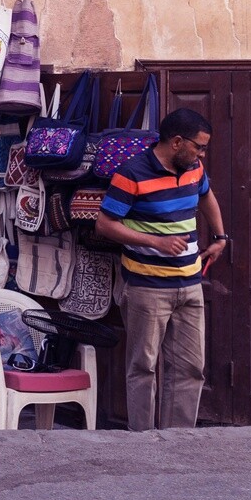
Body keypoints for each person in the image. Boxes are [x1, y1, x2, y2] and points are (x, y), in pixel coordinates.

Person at [95, 108, 228, 431]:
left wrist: (220, 236)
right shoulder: (133, 173)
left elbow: (206, 196)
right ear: (177, 142)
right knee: (143, 367)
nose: (202, 153)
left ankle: (178, 441)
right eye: (199, 146)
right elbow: (104, 225)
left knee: (191, 368)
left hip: (190, 284)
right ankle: (143, 442)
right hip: (146, 288)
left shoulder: (194, 167)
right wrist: (155, 242)